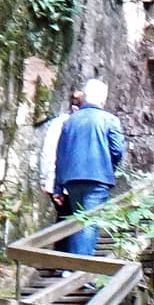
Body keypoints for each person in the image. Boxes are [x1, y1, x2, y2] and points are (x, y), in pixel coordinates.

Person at [47, 78, 125, 252]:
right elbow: (117, 150)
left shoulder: (70, 121)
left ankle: (70, 268)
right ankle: (80, 272)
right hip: (98, 178)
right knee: (89, 223)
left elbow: (61, 155)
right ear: (102, 99)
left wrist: (58, 187)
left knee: (77, 221)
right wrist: (109, 168)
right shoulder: (109, 120)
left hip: (72, 179)